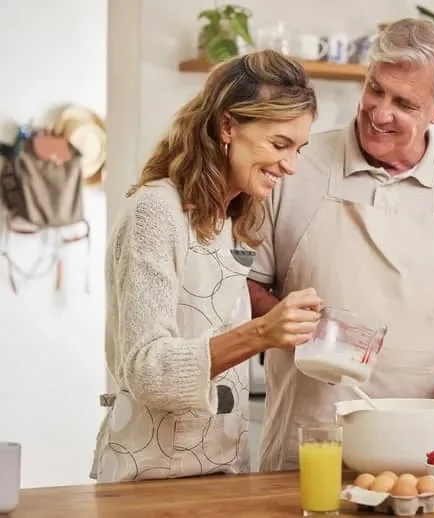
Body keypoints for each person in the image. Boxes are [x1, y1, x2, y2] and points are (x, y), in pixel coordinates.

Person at [248, 18, 434, 472]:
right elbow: (245, 287)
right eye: (375, 90)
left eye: (404, 103)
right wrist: (296, 327)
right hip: (314, 447)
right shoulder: (294, 167)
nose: (379, 112)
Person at [90, 50, 322, 483]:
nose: (290, 166)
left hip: (222, 471)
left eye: (298, 149)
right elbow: (147, 369)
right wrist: (262, 332)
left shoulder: (235, 219)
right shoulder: (155, 213)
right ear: (227, 126)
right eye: (279, 144)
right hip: (149, 480)